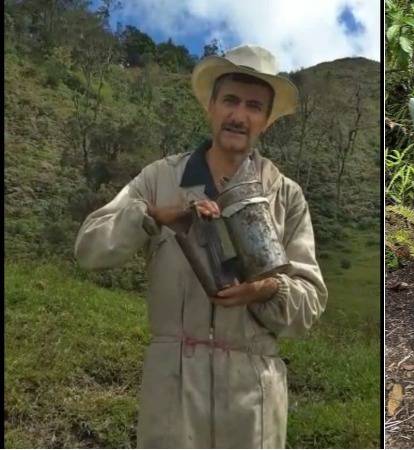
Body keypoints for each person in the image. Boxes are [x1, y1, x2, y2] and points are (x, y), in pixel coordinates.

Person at [74, 44, 327, 448]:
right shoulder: (159, 178)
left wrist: (265, 289)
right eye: (229, 100)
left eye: (253, 106)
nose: (239, 116)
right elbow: (89, 248)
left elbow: (309, 303)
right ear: (210, 106)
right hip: (172, 384)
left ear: (266, 121)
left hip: (252, 394)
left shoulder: (286, 195)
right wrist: (151, 216)